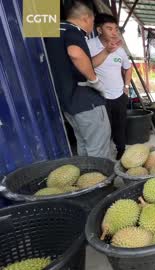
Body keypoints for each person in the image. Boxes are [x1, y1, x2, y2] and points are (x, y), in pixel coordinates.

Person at [44, 1, 111, 158]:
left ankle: (87, 178)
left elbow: (83, 63)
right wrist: (95, 81)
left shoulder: (53, 32)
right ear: (86, 18)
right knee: (98, 148)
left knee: (84, 145)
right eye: (93, 22)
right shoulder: (73, 31)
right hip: (86, 102)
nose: (92, 27)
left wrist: (107, 51)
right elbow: (75, 54)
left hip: (69, 104)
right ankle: (100, 181)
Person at [87, 14, 132, 160]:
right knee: (104, 129)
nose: (114, 32)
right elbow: (88, 66)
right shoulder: (90, 45)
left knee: (121, 125)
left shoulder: (120, 48)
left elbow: (128, 68)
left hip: (119, 95)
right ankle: (104, 157)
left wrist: (126, 86)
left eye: (116, 29)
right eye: (109, 28)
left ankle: (121, 150)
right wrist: (107, 50)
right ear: (99, 30)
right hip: (100, 96)